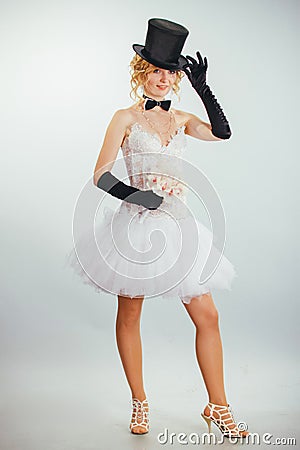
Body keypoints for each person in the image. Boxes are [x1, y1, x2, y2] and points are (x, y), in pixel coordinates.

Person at [66, 18, 251, 438]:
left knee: (207, 315)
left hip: (180, 227)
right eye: (156, 70)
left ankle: (218, 407)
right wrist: (141, 199)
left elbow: (223, 134)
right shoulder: (124, 118)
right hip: (135, 226)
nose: (164, 78)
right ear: (141, 72)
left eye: (171, 72)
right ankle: (140, 402)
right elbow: (100, 174)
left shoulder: (183, 118)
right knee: (130, 313)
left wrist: (204, 88)